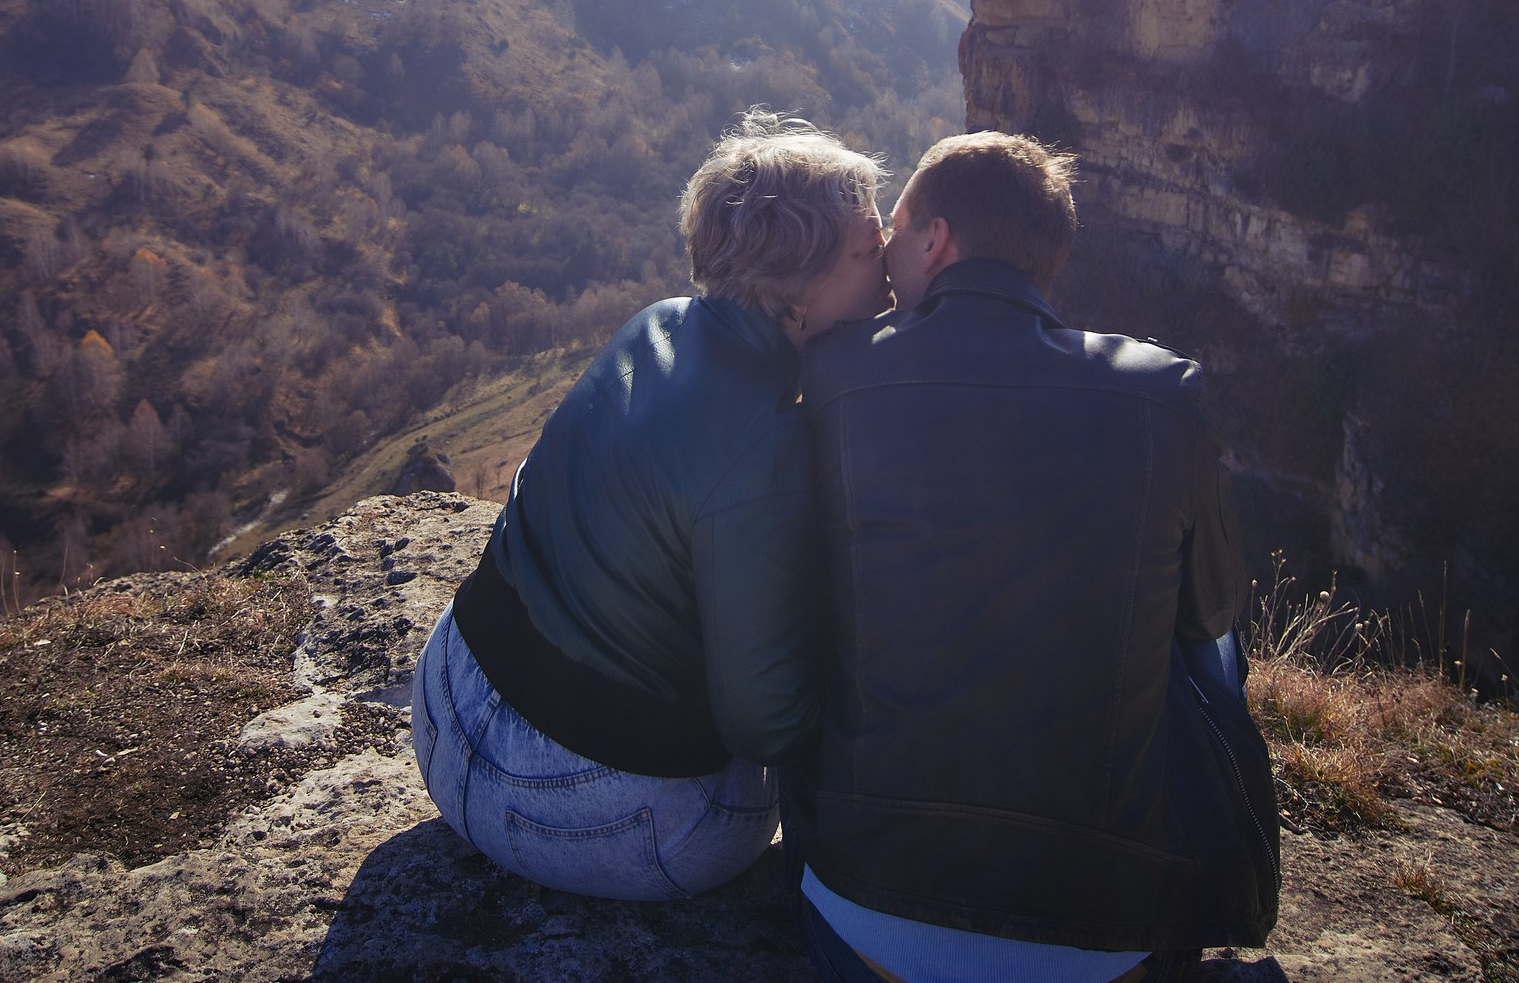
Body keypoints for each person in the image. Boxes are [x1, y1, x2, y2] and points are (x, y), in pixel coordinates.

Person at [790, 132, 1281, 981]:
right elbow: (1211, 627)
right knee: (1201, 640)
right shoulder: (1165, 395)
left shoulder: (837, 376)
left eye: (895, 233)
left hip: (864, 919)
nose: (884, 265)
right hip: (1107, 946)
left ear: (935, 238)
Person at [410, 110, 892, 900]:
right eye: (870, 252)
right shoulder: (765, 444)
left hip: (445, 706)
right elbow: (766, 724)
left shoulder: (655, 324)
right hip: (584, 812)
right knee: (769, 786)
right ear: (801, 288)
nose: (890, 276)